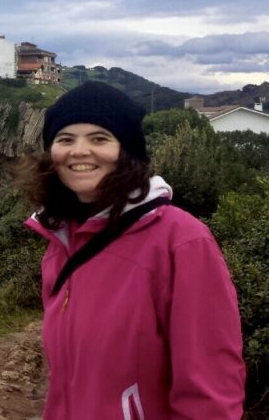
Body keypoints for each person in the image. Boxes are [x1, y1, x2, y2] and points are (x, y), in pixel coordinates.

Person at [18, 81, 245, 419]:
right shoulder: (61, 241)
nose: (79, 151)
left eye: (99, 139)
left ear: (128, 152)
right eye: (65, 139)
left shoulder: (182, 240)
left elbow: (211, 393)